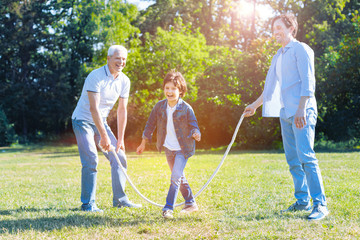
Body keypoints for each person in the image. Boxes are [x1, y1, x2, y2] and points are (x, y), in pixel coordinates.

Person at [243, 13, 328, 220]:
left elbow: (308, 82)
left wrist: (301, 109)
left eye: (279, 28)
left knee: (306, 157)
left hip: (302, 111)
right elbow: (270, 88)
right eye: (273, 30)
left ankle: (320, 205)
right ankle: (302, 202)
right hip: (285, 113)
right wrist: (253, 106)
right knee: (293, 160)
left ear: (291, 28)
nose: (276, 33)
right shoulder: (277, 56)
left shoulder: (301, 49)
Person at [72, 45, 141, 212]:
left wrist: (121, 139)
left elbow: (122, 110)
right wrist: (103, 136)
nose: (121, 62)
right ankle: (88, 204)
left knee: (119, 156)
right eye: (117, 58)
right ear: (109, 58)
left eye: (124, 59)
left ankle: (120, 200)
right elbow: (93, 109)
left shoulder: (124, 80)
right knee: (91, 159)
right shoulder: (95, 76)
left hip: (100, 121)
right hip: (82, 120)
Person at [136, 70, 201, 219]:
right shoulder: (159, 107)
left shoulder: (186, 108)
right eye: (167, 88)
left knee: (175, 177)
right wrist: (143, 143)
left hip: (183, 149)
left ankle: (168, 208)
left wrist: (196, 133)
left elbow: (194, 126)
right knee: (179, 177)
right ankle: (191, 203)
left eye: (173, 88)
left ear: (181, 90)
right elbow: (149, 125)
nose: (170, 92)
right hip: (168, 148)